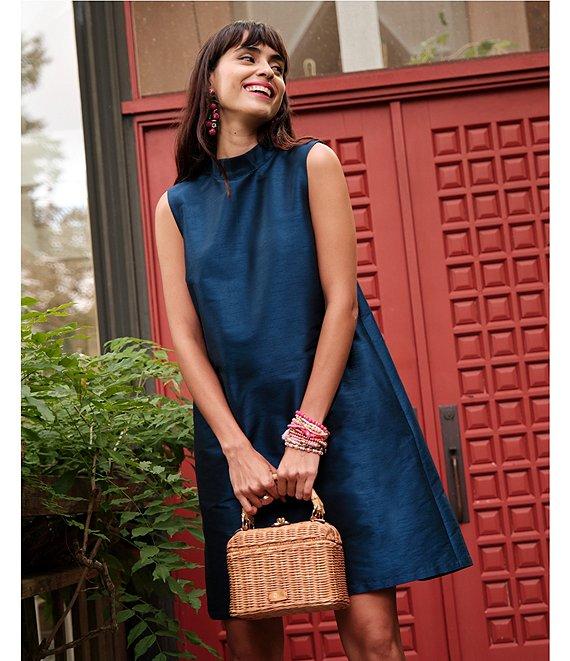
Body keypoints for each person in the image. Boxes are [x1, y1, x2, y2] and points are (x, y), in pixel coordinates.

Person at [155, 19, 473, 661]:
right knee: (250, 639)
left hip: (338, 413)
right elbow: (184, 338)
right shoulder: (176, 207)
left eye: (277, 64)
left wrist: (307, 434)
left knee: (374, 638)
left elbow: (341, 305)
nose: (267, 71)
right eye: (249, 58)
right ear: (210, 83)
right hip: (238, 426)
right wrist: (236, 449)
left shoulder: (311, 164)